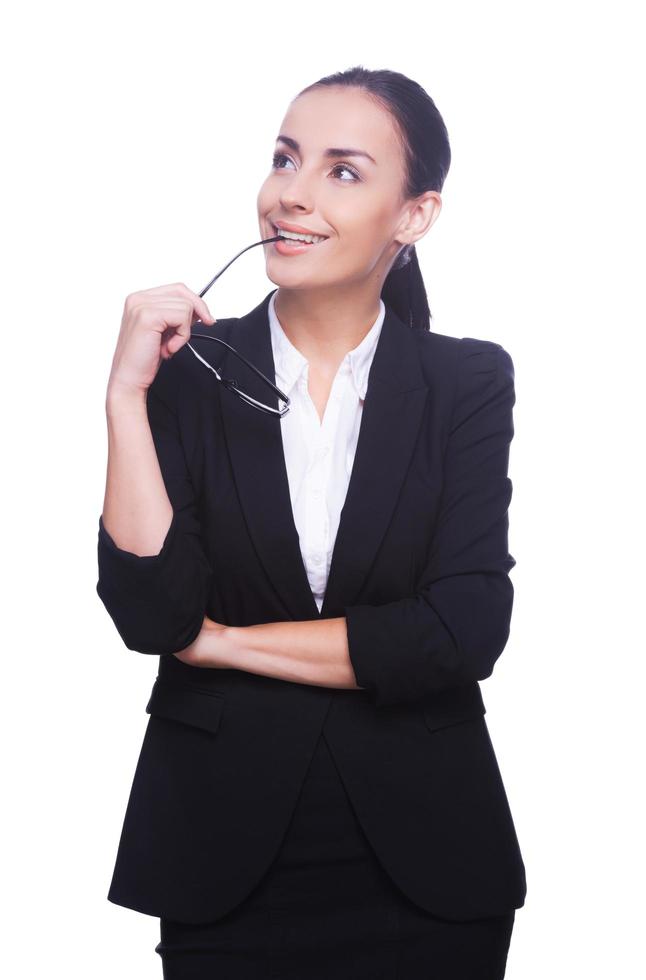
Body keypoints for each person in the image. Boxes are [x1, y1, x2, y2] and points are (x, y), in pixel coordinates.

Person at [96, 65, 527, 979]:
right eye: (286, 158)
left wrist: (223, 645)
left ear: (414, 215)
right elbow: (150, 615)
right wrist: (127, 397)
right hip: (222, 854)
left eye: (342, 170)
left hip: (431, 865)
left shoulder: (466, 382)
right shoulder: (184, 373)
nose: (289, 194)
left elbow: (462, 632)